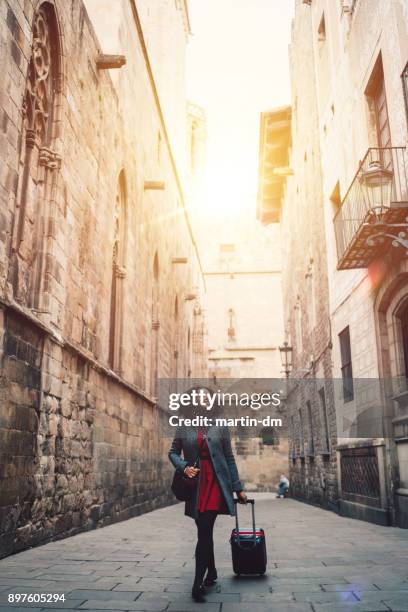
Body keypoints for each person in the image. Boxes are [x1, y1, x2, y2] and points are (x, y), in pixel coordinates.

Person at [169, 387, 247, 603]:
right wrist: (184, 467)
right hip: (196, 485)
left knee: (205, 530)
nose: (202, 398)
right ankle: (211, 571)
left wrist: (237, 487)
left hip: (215, 483)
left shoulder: (221, 425)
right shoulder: (183, 425)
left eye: (206, 395)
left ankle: (197, 584)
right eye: (197, 395)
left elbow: (229, 457)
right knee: (204, 530)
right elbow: (173, 452)